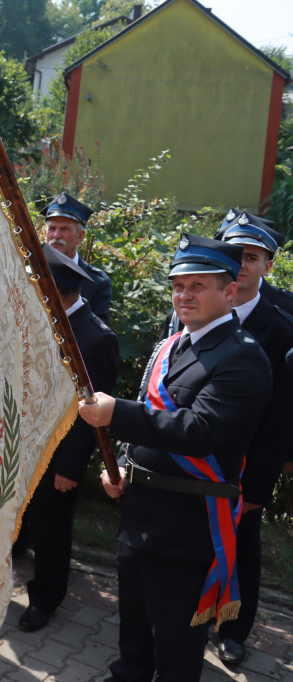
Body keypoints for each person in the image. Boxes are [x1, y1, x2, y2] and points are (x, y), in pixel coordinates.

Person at [78, 233, 271, 681]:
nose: (184, 295)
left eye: (198, 286)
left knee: (178, 641)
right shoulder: (173, 344)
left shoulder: (243, 358)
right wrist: (124, 465)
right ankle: (130, 672)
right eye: (179, 285)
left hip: (190, 522)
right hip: (141, 512)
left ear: (228, 291)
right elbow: (153, 409)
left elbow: (200, 431)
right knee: (134, 626)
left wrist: (115, 414)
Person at [16, 244, 119, 633]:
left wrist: (70, 466)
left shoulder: (95, 338)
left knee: (52, 528)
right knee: (23, 515)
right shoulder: (46, 318)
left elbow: (94, 416)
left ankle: (46, 596)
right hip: (25, 443)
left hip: (59, 455)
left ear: (53, 289)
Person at [205, 215, 293, 667]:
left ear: (267, 266)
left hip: (246, 463)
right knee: (194, 539)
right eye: (236, 254)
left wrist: (259, 483)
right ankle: (193, 617)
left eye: (253, 258)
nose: (241, 264)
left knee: (242, 542)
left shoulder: (283, 324)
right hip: (195, 454)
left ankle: (234, 628)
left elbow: (282, 415)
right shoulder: (200, 303)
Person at [42, 192, 112, 324]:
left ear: (80, 237)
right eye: (52, 228)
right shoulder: (27, 272)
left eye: (65, 229)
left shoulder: (96, 283)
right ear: (45, 233)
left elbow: (96, 337)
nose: (56, 235)